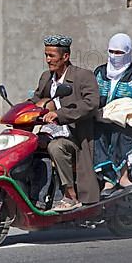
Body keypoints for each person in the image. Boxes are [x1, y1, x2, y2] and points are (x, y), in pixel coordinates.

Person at [31, 34, 100, 211]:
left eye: (51, 56)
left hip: (76, 136)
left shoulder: (83, 76)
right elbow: (35, 100)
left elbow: (91, 104)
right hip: (52, 130)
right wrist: (15, 113)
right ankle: (38, 194)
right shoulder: (46, 77)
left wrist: (59, 114)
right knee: (29, 146)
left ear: (65, 56)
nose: (48, 60)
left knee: (56, 147)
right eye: (46, 55)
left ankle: (70, 196)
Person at [94, 33, 132, 198]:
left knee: (117, 132)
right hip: (100, 121)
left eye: (119, 52)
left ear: (128, 53)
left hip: (126, 125)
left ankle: (120, 177)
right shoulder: (99, 73)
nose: (115, 56)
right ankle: (105, 176)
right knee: (95, 133)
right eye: (111, 51)